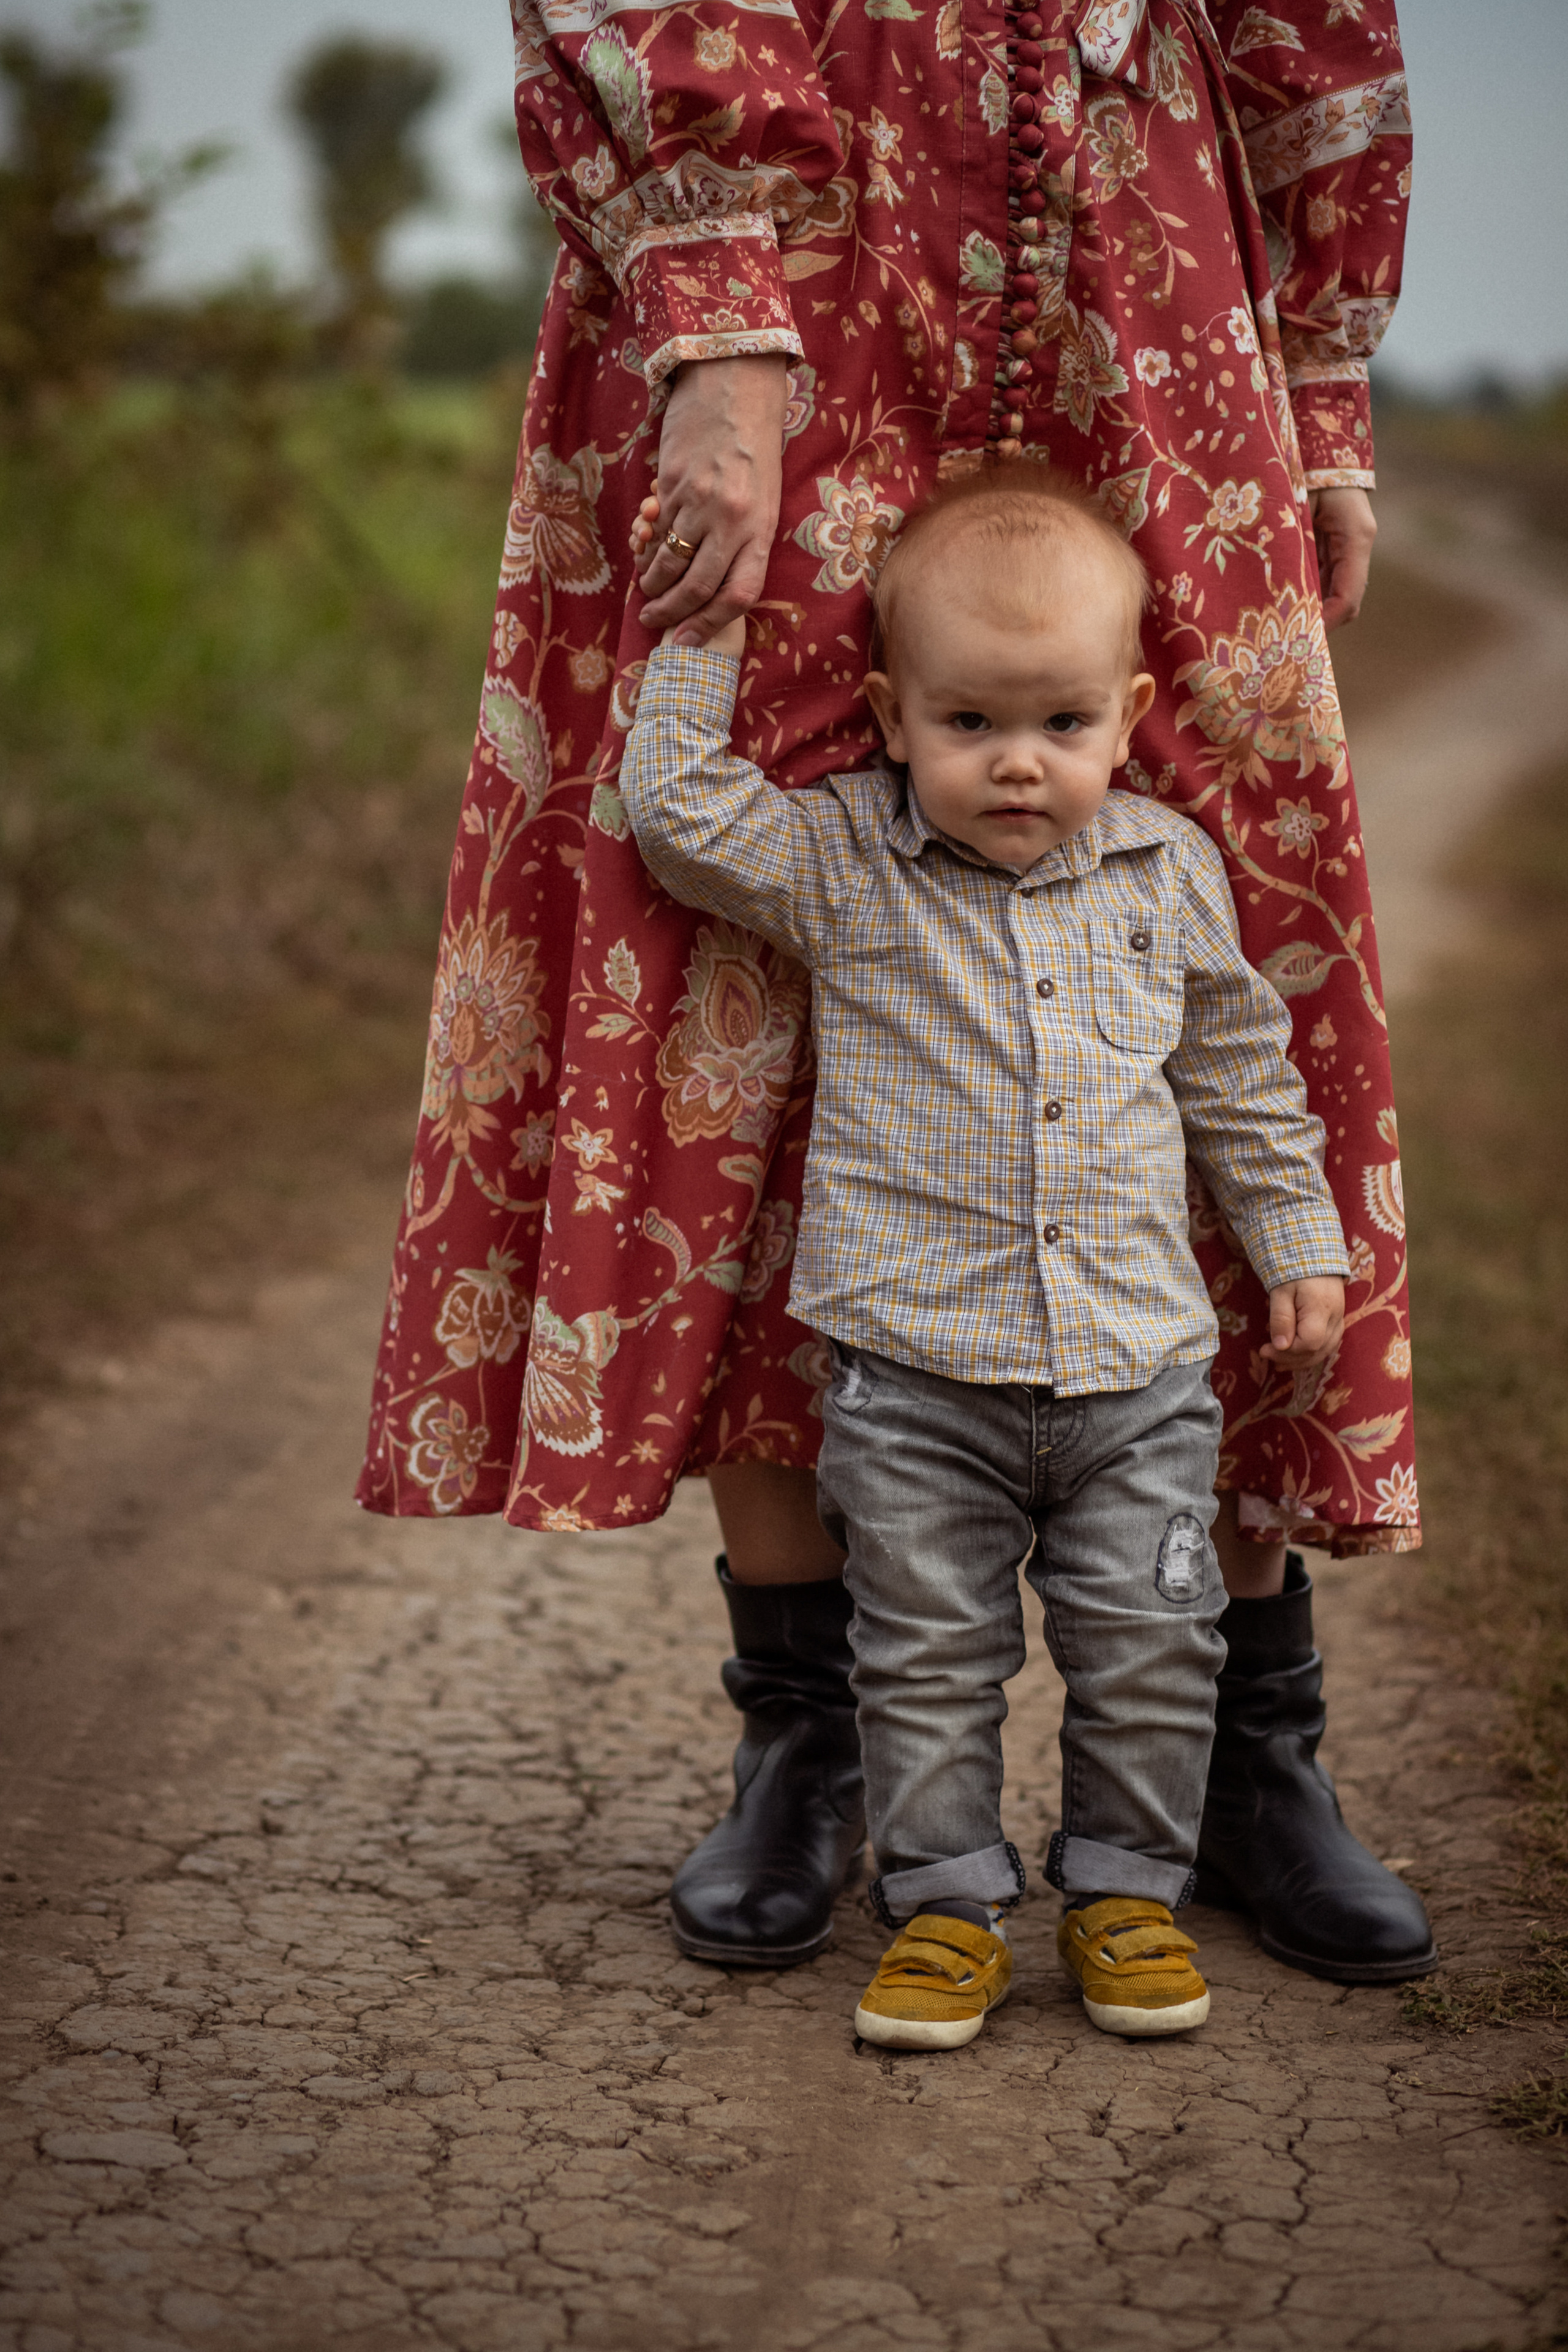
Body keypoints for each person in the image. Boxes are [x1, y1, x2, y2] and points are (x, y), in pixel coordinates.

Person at [358, 0, 1434, 1986]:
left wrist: (1327, 369)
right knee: (740, 985)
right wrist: (714, 311)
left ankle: (1245, 1752)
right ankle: (812, 1737)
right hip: (801, 241)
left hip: (1147, 238)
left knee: (1199, 924)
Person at [622, 466, 1352, 2048]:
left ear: (1130, 712)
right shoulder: (843, 863)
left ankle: (1126, 1900)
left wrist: (1300, 1241)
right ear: (889, 715)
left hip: (1138, 1381)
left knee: (1154, 1650)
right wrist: (718, 617)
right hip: (915, 1386)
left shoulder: (1170, 876)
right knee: (926, 1660)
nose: (1018, 764)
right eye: (969, 725)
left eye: (1064, 726)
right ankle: (946, 1907)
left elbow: (1238, 1075)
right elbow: (676, 811)